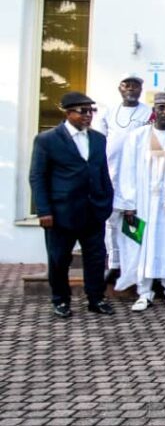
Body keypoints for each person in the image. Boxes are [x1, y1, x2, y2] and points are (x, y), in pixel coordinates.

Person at [29, 92, 116, 317]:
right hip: (61, 212)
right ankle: (60, 300)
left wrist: (107, 201)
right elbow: (37, 177)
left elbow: (102, 172)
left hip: (93, 211)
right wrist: (44, 210)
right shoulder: (47, 139)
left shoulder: (98, 139)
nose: (88, 115)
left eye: (91, 111)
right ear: (68, 113)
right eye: (83, 111)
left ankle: (96, 299)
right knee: (59, 259)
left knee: (96, 258)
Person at [114, 92, 165, 312]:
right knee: (140, 245)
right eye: (161, 107)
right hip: (142, 203)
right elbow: (127, 170)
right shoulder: (138, 136)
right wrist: (128, 204)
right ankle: (144, 292)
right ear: (153, 109)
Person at [95, 73, 151, 284]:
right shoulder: (108, 112)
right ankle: (115, 263)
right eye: (126, 85)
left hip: (136, 176)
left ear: (141, 89)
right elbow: (99, 141)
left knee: (134, 221)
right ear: (120, 88)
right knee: (111, 221)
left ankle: (133, 265)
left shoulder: (148, 112)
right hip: (111, 173)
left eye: (135, 85)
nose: (131, 89)